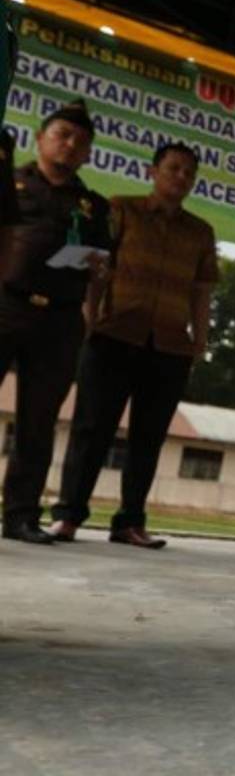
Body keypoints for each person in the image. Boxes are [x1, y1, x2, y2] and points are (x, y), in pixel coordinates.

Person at [46, 142, 216, 549]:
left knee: (149, 436)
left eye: (189, 172)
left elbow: (201, 291)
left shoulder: (200, 232)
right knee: (91, 428)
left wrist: (200, 340)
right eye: (173, 168)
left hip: (171, 345)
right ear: (152, 172)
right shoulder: (121, 210)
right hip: (113, 334)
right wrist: (90, 319)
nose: (181, 177)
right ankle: (68, 515)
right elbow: (96, 267)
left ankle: (130, 522)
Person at [1, 99, 110, 544]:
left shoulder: (93, 205)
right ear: (39, 138)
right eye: (62, 134)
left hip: (60, 319)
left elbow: (102, 264)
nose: (70, 144)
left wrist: (92, 309)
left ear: (88, 154)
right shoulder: (10, 182)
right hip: (6, 304)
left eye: (81, 141)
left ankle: (21, 515)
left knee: (39, 419)